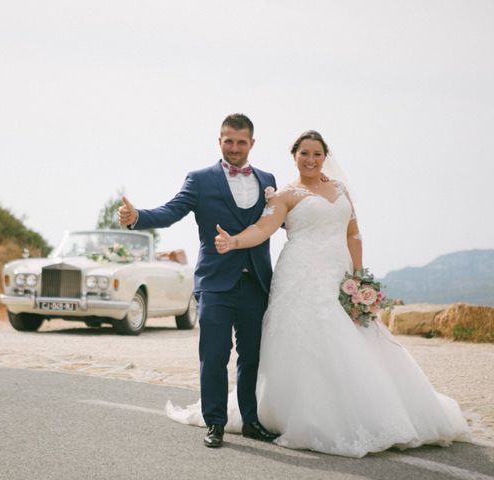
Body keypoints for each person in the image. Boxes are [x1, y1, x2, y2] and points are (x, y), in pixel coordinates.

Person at [209, 130, 472, 457]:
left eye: (316, 153)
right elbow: (263, 229)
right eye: (304, 153)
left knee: (354, 339)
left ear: (324, 156)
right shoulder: (284, 195)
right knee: (308, 339)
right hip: (299, 276)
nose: (310, 159)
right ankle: (307, 415)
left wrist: (359, 277)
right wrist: (233, 241)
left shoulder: (340, 189)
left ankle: (373, 410)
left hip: (339, 275)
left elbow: (354, 233)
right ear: (294, 156)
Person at [118, 113, 279, 448]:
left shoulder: (268, 179)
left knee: (252, 356)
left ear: (252, 143)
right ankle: (216, 423)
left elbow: (275, 221)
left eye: (241, 141)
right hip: (215, 283)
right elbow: (171, 211)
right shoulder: (200, 179)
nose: (234, 148)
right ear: (219, 141)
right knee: (215, 355)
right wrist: (137, 217)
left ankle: (250, 420)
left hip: (256, 282)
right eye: (228, 141)